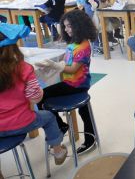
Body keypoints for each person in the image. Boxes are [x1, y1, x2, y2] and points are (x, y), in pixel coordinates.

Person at [0, 24, 67, 165]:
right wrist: (42, 84)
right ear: (13, 47)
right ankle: (58, 151)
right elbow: (36, 98)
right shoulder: (23, 68)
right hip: (20, 122)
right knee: (49, 117)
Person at [35, 9, 98, 155]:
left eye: (70, 26)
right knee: (83, 110)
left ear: (79, 26)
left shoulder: (84, 46)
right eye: (65, 26)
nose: (67, 29)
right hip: (70, 82)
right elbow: (67, 60)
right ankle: (62, 126)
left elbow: (72, 68)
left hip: (77, 85)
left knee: (40, 96)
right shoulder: (74, 43)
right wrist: (52, 67)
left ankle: (61, 128)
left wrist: (55, 66)